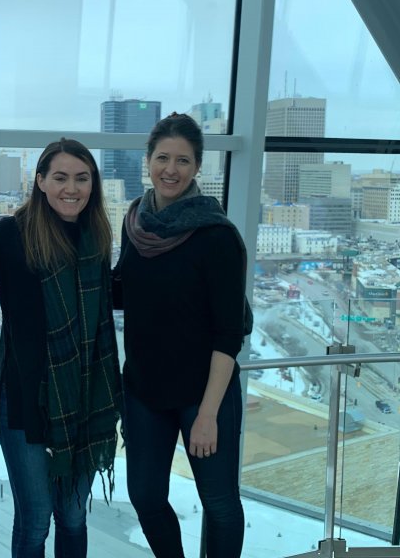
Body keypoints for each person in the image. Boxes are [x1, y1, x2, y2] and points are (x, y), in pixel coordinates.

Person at [115, 113, 247, 557]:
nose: (170, 169)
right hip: (144, 389)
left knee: (220, 502)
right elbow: (124, 288)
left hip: (203, 394)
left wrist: (208, 414)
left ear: (196, 168)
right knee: (146, 497)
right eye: (162, 158)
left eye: (183, 161)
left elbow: (229, 333)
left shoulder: (215, 236)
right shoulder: (135, 223)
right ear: (147, 161)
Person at [0, 138, 122, 557]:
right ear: (41, 182)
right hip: (25, 401)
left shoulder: (95, 236)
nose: (72, 187)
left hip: (82, 399)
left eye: (82, 178)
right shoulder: (11, 236)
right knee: (35, 520)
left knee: (74, 515)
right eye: (60, 177)